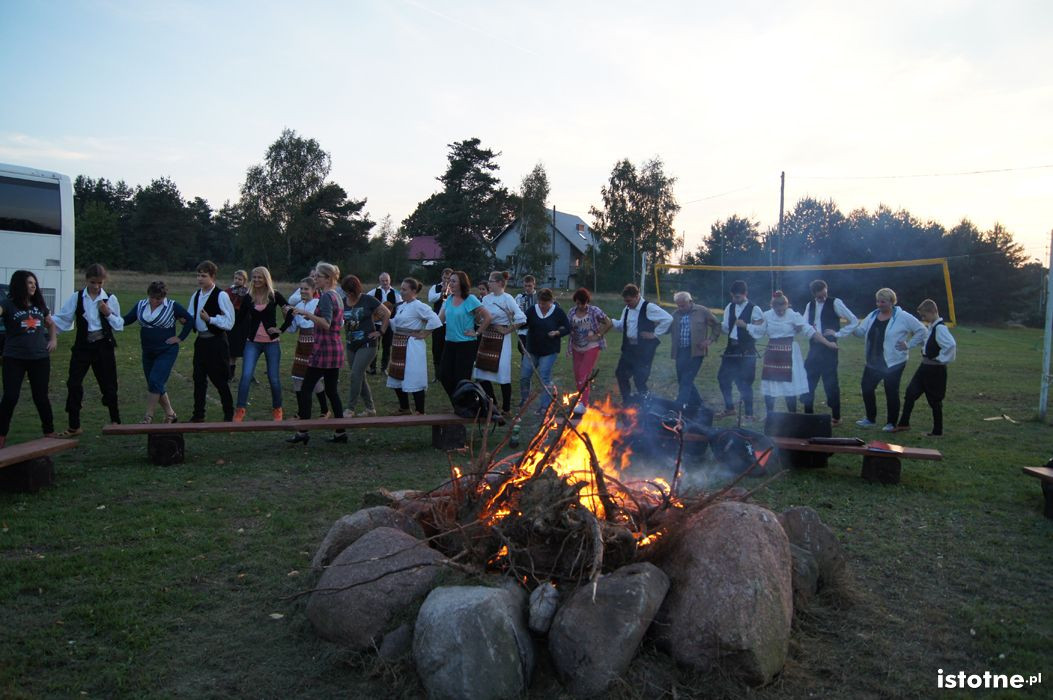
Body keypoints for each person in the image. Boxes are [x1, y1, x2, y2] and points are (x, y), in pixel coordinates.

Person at [51, 263, 125, 435]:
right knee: (74, 383)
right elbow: (62, 319)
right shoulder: (77, 298)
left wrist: (107, 313)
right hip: (83, 346)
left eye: (100, 283)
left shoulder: (110, 299)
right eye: (93, 282)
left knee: (108, 384)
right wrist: (47, 328)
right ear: (86, 280)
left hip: (103, 346)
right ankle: (74, 425)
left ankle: (115, 421)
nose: (96, 286)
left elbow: (120, 325)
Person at [748, 291, 837, 414]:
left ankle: (792, 415)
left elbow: (810, 331)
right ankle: (770, 415)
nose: (781, 312)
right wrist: (746, 326)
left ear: (787, 306)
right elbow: (758, 331)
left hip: (790, 353)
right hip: (773, 354)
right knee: (770, 385)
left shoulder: (793, 315)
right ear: (772, 306)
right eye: (778, 310)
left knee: (789, 386)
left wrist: (828, 343)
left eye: (783, 310)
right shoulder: (767, 315)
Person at [852, 287, 927, 432]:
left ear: (892, 302)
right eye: (878, 301)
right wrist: (852, 328)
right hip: (873, 361)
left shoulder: (903, 317)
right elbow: (861, 331)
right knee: (866, 388)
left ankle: (891, 423)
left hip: (893, 362)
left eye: (883, 302)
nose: (879, 304)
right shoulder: (873, 315)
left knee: (891, 391)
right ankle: (870, 418)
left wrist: (909, 344)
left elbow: (922, 330)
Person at [121, 280, 193, 424]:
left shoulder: (173, 306)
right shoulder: (141, 305)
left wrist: (179, 338)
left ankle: (148, 416)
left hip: (166, 350)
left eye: (158, 299)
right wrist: (109, 317)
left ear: (164, 297)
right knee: (154, 384)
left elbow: (190, 320)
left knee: (155, 381)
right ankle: (171, 414)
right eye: (152, 297)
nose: (154, 301)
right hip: (147, 351)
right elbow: (127, 319)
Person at [288, 262, 345, 444]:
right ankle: (340, 432)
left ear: (327, 278)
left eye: (318, 276)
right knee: (331, 391)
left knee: (306, 389)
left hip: (324, 349)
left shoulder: (327, 296)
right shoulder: (337, 295)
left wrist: (307, 314)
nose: (315, 279)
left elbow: (326, 323)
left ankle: (303, 431)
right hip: (334, 348)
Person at [0, 270, 58, 448]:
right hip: (14, 358)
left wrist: (53, 339)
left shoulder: (39, 304)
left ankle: (49, 432)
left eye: (34, 283)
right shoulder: (8, 304)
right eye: (29, 283)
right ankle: (1, 435)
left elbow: (50, 323)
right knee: (10, 397)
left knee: (41, 397)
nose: (33, 286)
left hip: (39, 358)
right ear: (19, 285)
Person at [894, 299, 956, 437]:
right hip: (924, 367)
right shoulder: (932, 327)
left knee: (934, 400)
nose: (923, 319)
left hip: (935, 370)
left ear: (932, 312)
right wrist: (909, 345)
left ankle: (937, 431)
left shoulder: (940, 328)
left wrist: (941, 359)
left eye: (924, 316)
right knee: (910, 393)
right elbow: (926, 342)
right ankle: (904, 423)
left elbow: (950, 345)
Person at [233, 267, 288, 422]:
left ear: (266, 279)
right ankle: (240, 410)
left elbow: (290, 312)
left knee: (273, 378)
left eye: (259, 277)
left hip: (272, 343)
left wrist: (280, 329)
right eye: (254, 277)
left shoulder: (274, 295)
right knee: (245, 376)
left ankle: (277, 409)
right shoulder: (248, 297)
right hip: (253, 343)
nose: (256, 280)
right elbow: (239, 319)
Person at [800, 280, 858, 425]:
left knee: (830, 383)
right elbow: (803, 324)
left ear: (827, 290)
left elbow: (854, 321)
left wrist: (838, 334)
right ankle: (808, 415)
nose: (823, 298)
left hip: (830, 349)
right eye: (820, 296)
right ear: (814, 294)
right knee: (809, 382)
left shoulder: (835, 302)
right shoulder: (810, 305)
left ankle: (836, 417)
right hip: (814, 348)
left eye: (825, 294)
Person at [187, 260, 236, 423]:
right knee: (198, 379)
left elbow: (229, 322)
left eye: (204, 276)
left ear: (212, 277)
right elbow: (191, 316)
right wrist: (186, 321)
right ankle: (198, 414)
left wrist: (210, 319)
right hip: (201, 342)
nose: (200, 279)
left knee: (219, 379)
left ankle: (229, 414)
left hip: (216, 342)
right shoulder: (196, 295)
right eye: (198, 275)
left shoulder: (221, 295)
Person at [473, 271, 527, 416]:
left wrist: (507, 330)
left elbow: (521, 317)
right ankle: (493, 404)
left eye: (491, 281)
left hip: (501, 340)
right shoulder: (486, 299)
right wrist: (479, 318)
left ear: (500, 283)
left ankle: (507, 408)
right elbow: (480, 319)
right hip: (486, 338)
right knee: (482, 373)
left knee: (502, 373)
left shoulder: (507, 298)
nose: (488, 283)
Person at [386, 278, 442, 415]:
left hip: (412, 345)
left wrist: (425, 333)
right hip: (399, 343)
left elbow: (435, 319)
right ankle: (404, 408)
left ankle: (420, 410)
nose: (402, 292)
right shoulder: (402, 305)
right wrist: (385, 317)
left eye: (405, 290)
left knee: (413, 375)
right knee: (396, 375)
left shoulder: (419, 305)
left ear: (413, 291)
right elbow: (397, 324)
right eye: (401, 289)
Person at [612, 283, 672, 405]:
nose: (627, 303)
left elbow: (668, 319)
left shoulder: (649, 307)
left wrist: (654, 334)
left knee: (639, 379)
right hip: (629, 349)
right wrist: (608, 321)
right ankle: (627, 401)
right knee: (620, 374)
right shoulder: (627, 309)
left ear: (637, 296)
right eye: (625, 301)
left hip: (644, 351)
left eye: (629, 300)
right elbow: (621, 326)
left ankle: (647, 404)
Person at [439, 271, 492, 403]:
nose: (450, 283)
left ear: (462, 283)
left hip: (466, 344)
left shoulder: (470, 299)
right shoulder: (449, 299)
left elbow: (488, 317)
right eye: (450, 280)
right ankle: (459, 401)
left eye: (453, 281)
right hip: (449, 343)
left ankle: (466, 405)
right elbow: (439, 320)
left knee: (461, 378)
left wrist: (477, 332)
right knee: (444, 376)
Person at [341, 274, 390, 418]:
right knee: (360, 376)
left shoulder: (367, 300)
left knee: (355, 375)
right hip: (351, 345)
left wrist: (381, 331)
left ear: (356, 289)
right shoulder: (343, 302)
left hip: (367, 344)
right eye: (346, 291)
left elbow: (386, 313)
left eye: (350, 291)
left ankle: (350, 408)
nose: (348, 294)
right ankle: (370, 409)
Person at [715, 280, 764, 422]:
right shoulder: (729, 306)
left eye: (738, 297)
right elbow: (726, 327)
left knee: (745, 382)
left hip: (747, 349)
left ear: (745, 294)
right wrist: (717, 326)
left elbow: (761, 331)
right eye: (733, 297)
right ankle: (729, 408)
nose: (735, 299)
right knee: (723, 378)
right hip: (731, 348)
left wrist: (746, 326)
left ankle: (749, 414)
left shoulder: (754, 309)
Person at [284, 277, 329, 419]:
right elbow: (292, 330)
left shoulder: (318, 304)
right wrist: (286, 315)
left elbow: (325, 323)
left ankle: (325, 410)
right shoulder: (299, 305)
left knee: (314, 380)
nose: (303, 291)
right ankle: (301, 412)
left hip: (314, 343)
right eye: (301, 289)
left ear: (313, 290)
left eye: (306, 289)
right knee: (297, 378)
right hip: (302, 344)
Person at [669, 291, 721, 413]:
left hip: (696, 352)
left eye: (683, 305)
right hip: (680, 352)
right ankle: (700, 405)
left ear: (690, 302)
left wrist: (709, 340)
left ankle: (679, 408)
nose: (680, 308)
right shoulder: (675, 314)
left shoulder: (702, 311)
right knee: (682, 379)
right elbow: (665, 327)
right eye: (678, 305)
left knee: (686, 380)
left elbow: (717, 325)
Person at [521, 288, 571, 413]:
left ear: (551, 301)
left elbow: (568, 327)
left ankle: (544, 406)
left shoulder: (558, 312)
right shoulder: (532, 310)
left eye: (545, 304)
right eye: (541, 303)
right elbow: (523, 323)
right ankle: (525, 399)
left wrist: (557, 332)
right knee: (525, 376)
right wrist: (516, 320)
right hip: (532, 349)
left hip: (549, 350)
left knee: (544, 376)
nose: (542, 306)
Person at [567, 288, 612, 416]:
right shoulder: (571, 312)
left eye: (582, 303)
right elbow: (567, 326)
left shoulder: (594, 311)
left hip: (592, 346)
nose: (580, 306)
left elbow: (608, 323)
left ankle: (583, 403)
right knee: (578, 375)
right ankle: (582, 400)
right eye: (577, 303)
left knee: (583, 373)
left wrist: (598, 335)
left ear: (587, 301)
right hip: (577, 347)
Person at [367, 272, 402, 375]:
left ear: (389, 280)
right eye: (382, 280)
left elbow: (400, 307)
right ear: (379, 281)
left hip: (389, 323)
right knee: (374, 346)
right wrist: (374, 313)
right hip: (376, 324)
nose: (385, 282)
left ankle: (384, 368)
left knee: (387, 346)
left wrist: (396, 317)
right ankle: (372, 368)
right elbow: (365, 302)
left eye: (386, 280)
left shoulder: (395, 293)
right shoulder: (373, 292)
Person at [427, 267, 454, 379]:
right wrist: (441, 292)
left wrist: (449, 291)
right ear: (441, 276)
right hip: (438, 322)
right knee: (437, 348)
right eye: (445, 277)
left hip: (451, 322)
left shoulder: (454, 288)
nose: (446, 280)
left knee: (448, 348)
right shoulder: (435, 287)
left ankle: (447, 373)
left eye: (449, 278)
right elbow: (430, 299)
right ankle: (437, 375)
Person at [226, 269, 249, 382]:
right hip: (232, 323)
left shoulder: (249, 292)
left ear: (244, 280)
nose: (237, 281)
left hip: (244, 323)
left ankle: (249, 375)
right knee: (232, 351)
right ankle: (230, 374)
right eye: (236, 278)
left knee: (247, 350)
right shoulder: (228, 291)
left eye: (240, 279)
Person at [514, 275, 538, 356]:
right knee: (521, 347)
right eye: (525, 286)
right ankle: (525, 364)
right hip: (523, 328)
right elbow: (513, 311)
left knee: (533, 349)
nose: (527, 288)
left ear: (534, 285)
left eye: (530, 286)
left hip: (536, 328)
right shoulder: (519, 297)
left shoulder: (539, 297)